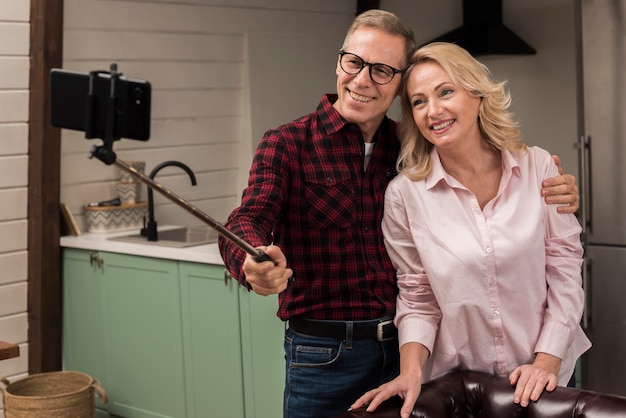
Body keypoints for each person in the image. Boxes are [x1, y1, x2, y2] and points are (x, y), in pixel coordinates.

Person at [218, 10, 581, 418]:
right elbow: (247, 219)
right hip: (327, 353)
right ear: (339, 61)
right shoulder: (289, 143)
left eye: (382, 70)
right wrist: (252, 260)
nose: (361, 80)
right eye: (353, 62)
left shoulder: (411, 146)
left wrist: (553, 191)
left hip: (411, 351)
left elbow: (553, 261)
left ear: (396, 84)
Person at [349, 42, 592, 418]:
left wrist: (546, 361)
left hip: (544, 377)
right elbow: (417, 296)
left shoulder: (538, 167)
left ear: (478, 95)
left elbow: (564, 271)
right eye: (419, 101)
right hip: (460, 388)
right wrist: (409, 372)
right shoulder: (405, 195)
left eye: (446, 92)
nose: (434, 110)